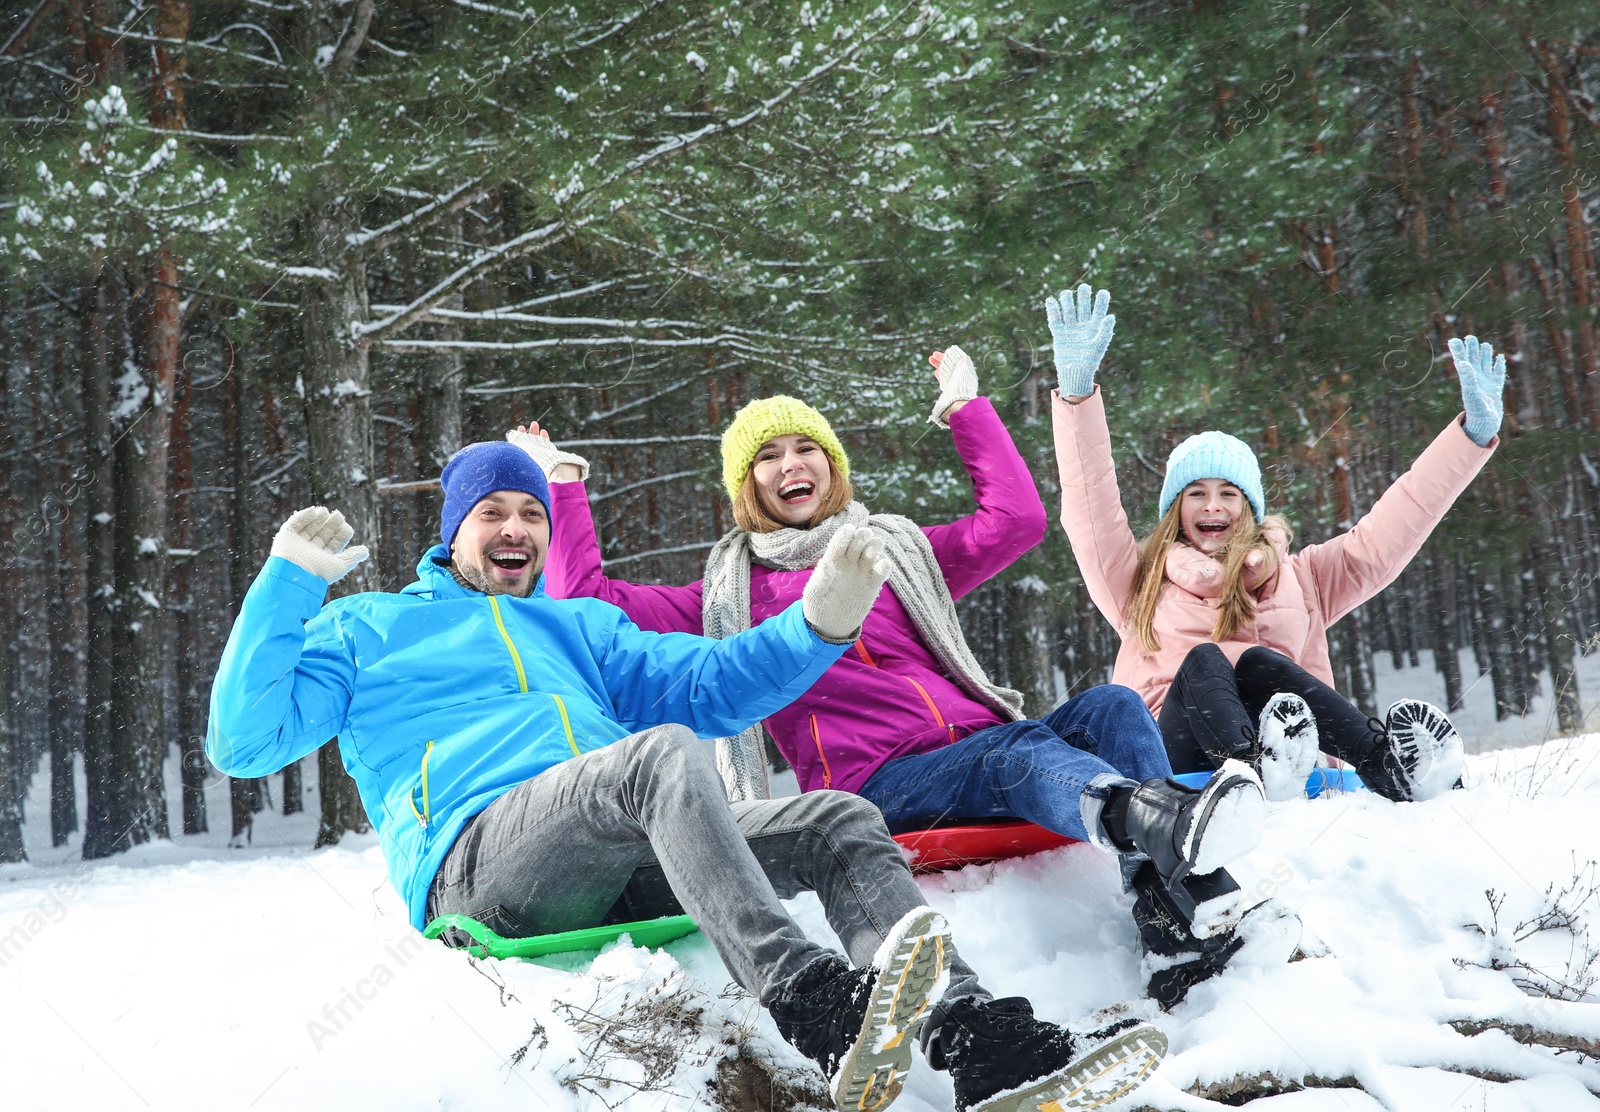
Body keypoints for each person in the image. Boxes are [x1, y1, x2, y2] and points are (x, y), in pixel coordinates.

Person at [206, 441, 1167, 1112]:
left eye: (530, 514)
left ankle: (979, 1042)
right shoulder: (369, 627)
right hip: (480, 865)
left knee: (832, 818)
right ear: (452, 530)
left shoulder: (577, 630)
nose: (515, 529)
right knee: (655, 756)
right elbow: (243, 744)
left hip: (613, 848)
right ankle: (810, 1000)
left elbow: (713, 684)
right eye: (490, 513)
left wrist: (821, 622)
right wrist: (289, 581)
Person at [526, 348, 1296, 1015]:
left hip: (981, 745)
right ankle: (1151, 821)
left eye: (807, 448)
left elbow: (1015, 521)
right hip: (880, 785)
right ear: (746, 484)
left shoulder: (889, 554)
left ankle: (1169, 917)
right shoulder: (721, 601)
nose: (792, 464)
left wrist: (967, 410)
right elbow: (588, 602)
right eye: (768, 456)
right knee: (1012, 749)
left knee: (1113, 706)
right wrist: (561, 486)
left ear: (832, 465)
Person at [1046, 284, 1501, 802]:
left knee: (1259, 664)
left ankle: (1385, 767)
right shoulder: (1140, 581)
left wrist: (1469, 439)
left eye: (1227, 494)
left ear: (1250, 509)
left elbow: (1393, 529)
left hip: (1291, 754)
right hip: (1173, 759)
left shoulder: (1301, 576)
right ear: (1177, 509)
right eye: (1196, 494)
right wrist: (1077, 397)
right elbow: (1089, 507)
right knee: (1206, 660)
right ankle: (1252, 768)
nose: (1212, 506)